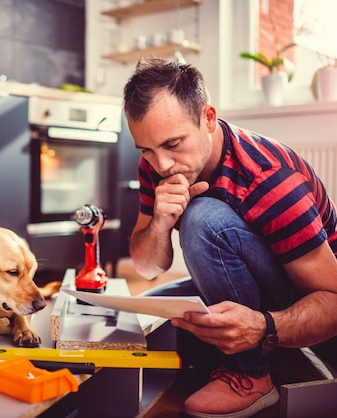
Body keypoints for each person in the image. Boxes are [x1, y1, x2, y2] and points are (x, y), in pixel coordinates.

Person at [122, 58, 337, 418]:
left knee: (201, 217)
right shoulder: (156, 164)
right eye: (146, 149)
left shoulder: (271, 177)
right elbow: (146, 266)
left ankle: (251, 374)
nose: (161, 164)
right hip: (246, 278)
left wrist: (264, 327)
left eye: (173, 143)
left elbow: (333, 299)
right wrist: (159, 222)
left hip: (309, 301)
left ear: (208, 118)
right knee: (138, 314)